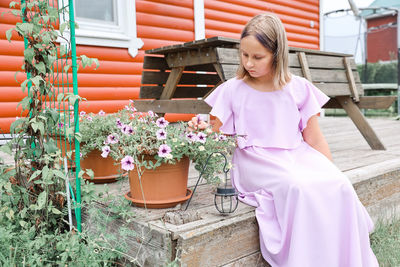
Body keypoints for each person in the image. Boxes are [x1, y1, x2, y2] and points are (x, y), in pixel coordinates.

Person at [204, 13, 378, 267]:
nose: (249, 63)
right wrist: (201, 131)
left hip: (296, 153)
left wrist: (329, 170)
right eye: (244, 55)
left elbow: (315, 139)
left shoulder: (298, 88)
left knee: (337, 183)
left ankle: (341, 259)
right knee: (297, 186)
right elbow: (213, 135)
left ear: (277, 54)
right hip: (255, 160)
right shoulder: (233, 89)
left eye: (257, 57)